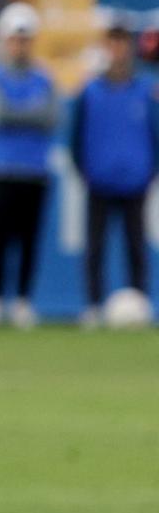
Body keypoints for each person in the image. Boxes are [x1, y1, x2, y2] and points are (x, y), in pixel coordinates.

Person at [70, 21, 158, 326]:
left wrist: (149, 171)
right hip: (100, 180)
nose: (117, 49)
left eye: (122, 43)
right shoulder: (90, 90)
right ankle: (93, 305)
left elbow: (154, 133)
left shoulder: (146, 89)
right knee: (95, 246)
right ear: (106, 47)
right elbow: (76, 138)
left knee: (136, 246)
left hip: (136, 180)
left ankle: (140, 302)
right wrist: (85, 171)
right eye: (112, 42)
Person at [0, 4, 57, 330]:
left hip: (35, 169)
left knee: (29, 239)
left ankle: (23, 301)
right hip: (4, 167)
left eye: (25, 39)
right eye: (15, 39)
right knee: (0, 237)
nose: (19, 46)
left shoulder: (43, 77)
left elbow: (51, 118)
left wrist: (17, 112)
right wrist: (28, 112)